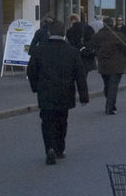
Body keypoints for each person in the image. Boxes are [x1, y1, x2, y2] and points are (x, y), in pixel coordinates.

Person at [26, 18, 89, 164]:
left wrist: (35, 86)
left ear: (49, 33)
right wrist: (83, 96)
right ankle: (60, 148)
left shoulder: (39, 50)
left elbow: (31, 71)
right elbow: (80, 75)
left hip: (45, 92)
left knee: (47, 121)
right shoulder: (72, 51)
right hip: (65, 92)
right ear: (64, 33)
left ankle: (50, 148)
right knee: (62, 120)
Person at [92, 16, 126, 114]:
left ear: (103, 24)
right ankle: (110, 108)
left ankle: (111, 105)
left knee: (107, 85)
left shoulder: (97, 36)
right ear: (112, 24)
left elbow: (91, 47)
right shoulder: (119, 35)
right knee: (113, 86)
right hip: (117, 65)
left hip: (103, 64)